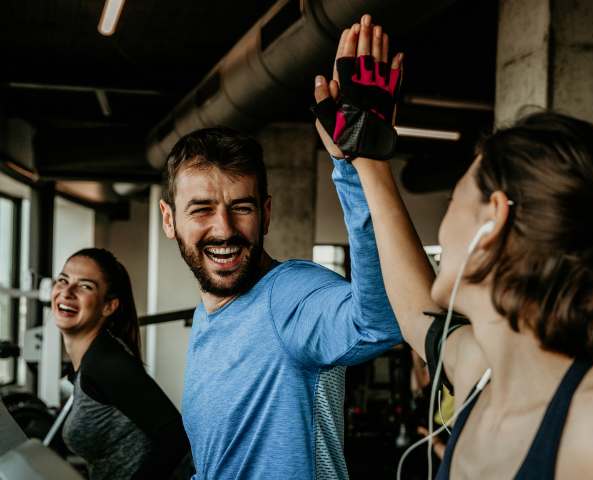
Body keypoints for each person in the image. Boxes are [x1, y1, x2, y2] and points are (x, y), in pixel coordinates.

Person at [312, 19, 593, 477]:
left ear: (491, 219)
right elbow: (415, 314)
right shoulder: (481, 374)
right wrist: (367, 161)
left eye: (455, 200)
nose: (445, 229)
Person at [158, 18, 402, 476]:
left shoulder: (291, 296)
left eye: (241, 207)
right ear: (169, 220)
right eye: (202, 209)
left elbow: (381, 324)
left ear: (266, 213)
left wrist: (356, 166)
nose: (224, 228)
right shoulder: (210, 311)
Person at [52, 248, 190, 479]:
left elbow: (174, 436)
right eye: (63, 280)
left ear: (109, 306)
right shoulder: (91, 361)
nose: (67, 292)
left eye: (85, 286)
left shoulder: (105, 362)